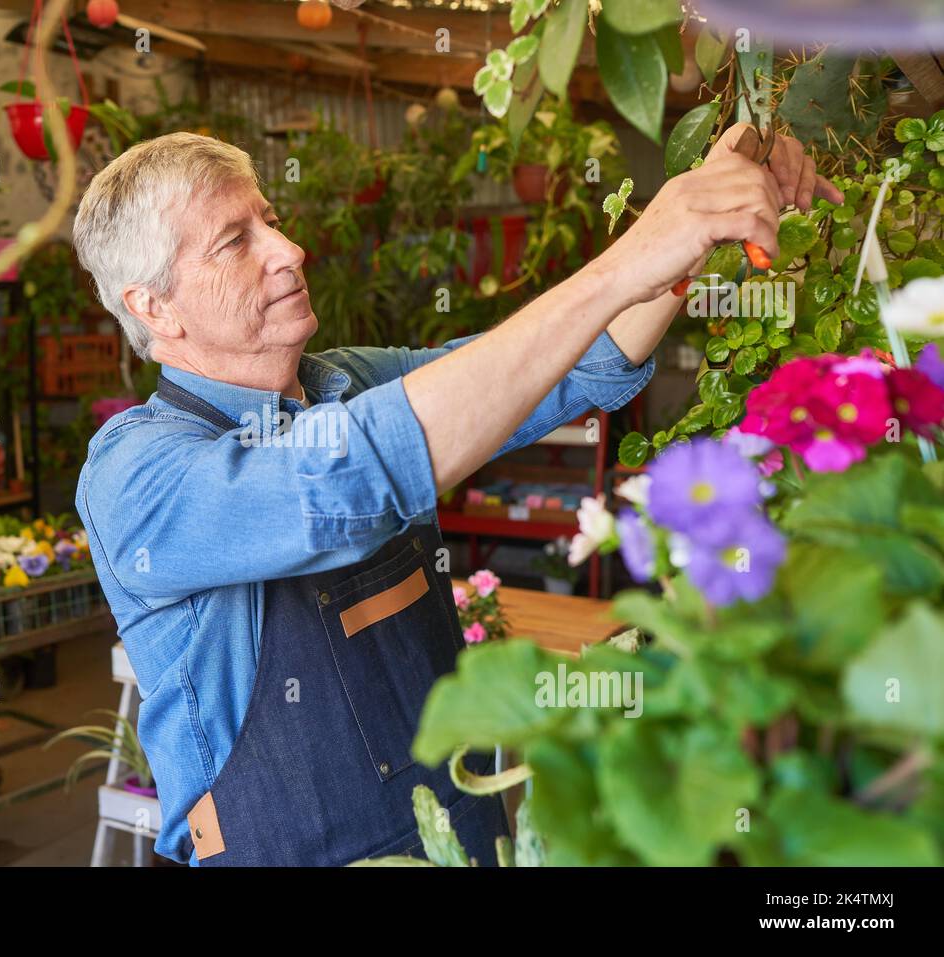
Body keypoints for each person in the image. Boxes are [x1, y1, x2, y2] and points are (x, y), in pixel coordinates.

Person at [71, 126, 840, 866]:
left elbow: (577, 362)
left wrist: (706, 203)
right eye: (236, 241)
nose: (290, 250)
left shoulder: (350, 381)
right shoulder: (135, 471)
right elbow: (345, 478)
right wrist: (630, 257)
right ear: (153, 307)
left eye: (270, 219)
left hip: (464, 827)